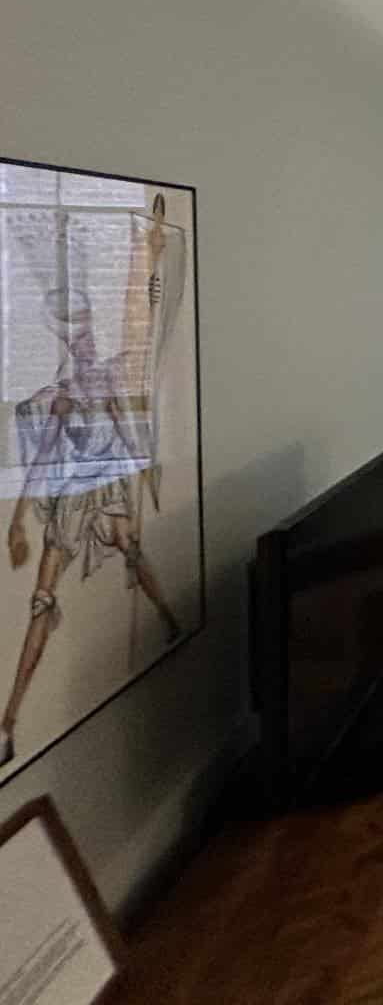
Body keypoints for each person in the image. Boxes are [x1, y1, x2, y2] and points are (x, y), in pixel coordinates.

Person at [0, 200, 180, 768]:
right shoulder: (59, 394)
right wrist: (16, 522)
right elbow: (39, 462)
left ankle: (171, 622)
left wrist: (144, 466)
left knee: (131, 547)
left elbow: (143, 335)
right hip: (73, 497)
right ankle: (9, 723)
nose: (75, 338)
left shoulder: (104, 377)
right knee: (42, 600)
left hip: (106, 488)